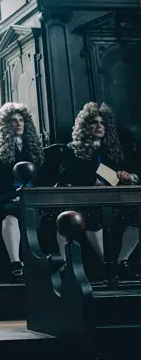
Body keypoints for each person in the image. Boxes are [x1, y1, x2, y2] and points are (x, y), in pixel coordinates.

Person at [59, 102, 139, 279]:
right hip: (84, 200)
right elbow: (69, 175)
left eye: (102, 123)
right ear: (84, 126)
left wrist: (126, 176)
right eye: (94, 122)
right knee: (92, 218)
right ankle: (105, 263)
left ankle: (122, 261)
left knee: (136, 216)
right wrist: (103, 179)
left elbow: (124, 173)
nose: (99, 126)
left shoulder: (112, 150)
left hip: (114, 200)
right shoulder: (72, 149)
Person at [0, 103, 44, 283]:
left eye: (21, 120)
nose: (19, 124)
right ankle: (16, 264)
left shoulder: (35, 150)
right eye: (13, 121)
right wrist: (15, 195)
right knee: (10, 215)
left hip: (35, 196)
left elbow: (43, 177)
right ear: (6, 125)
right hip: (9, 197)